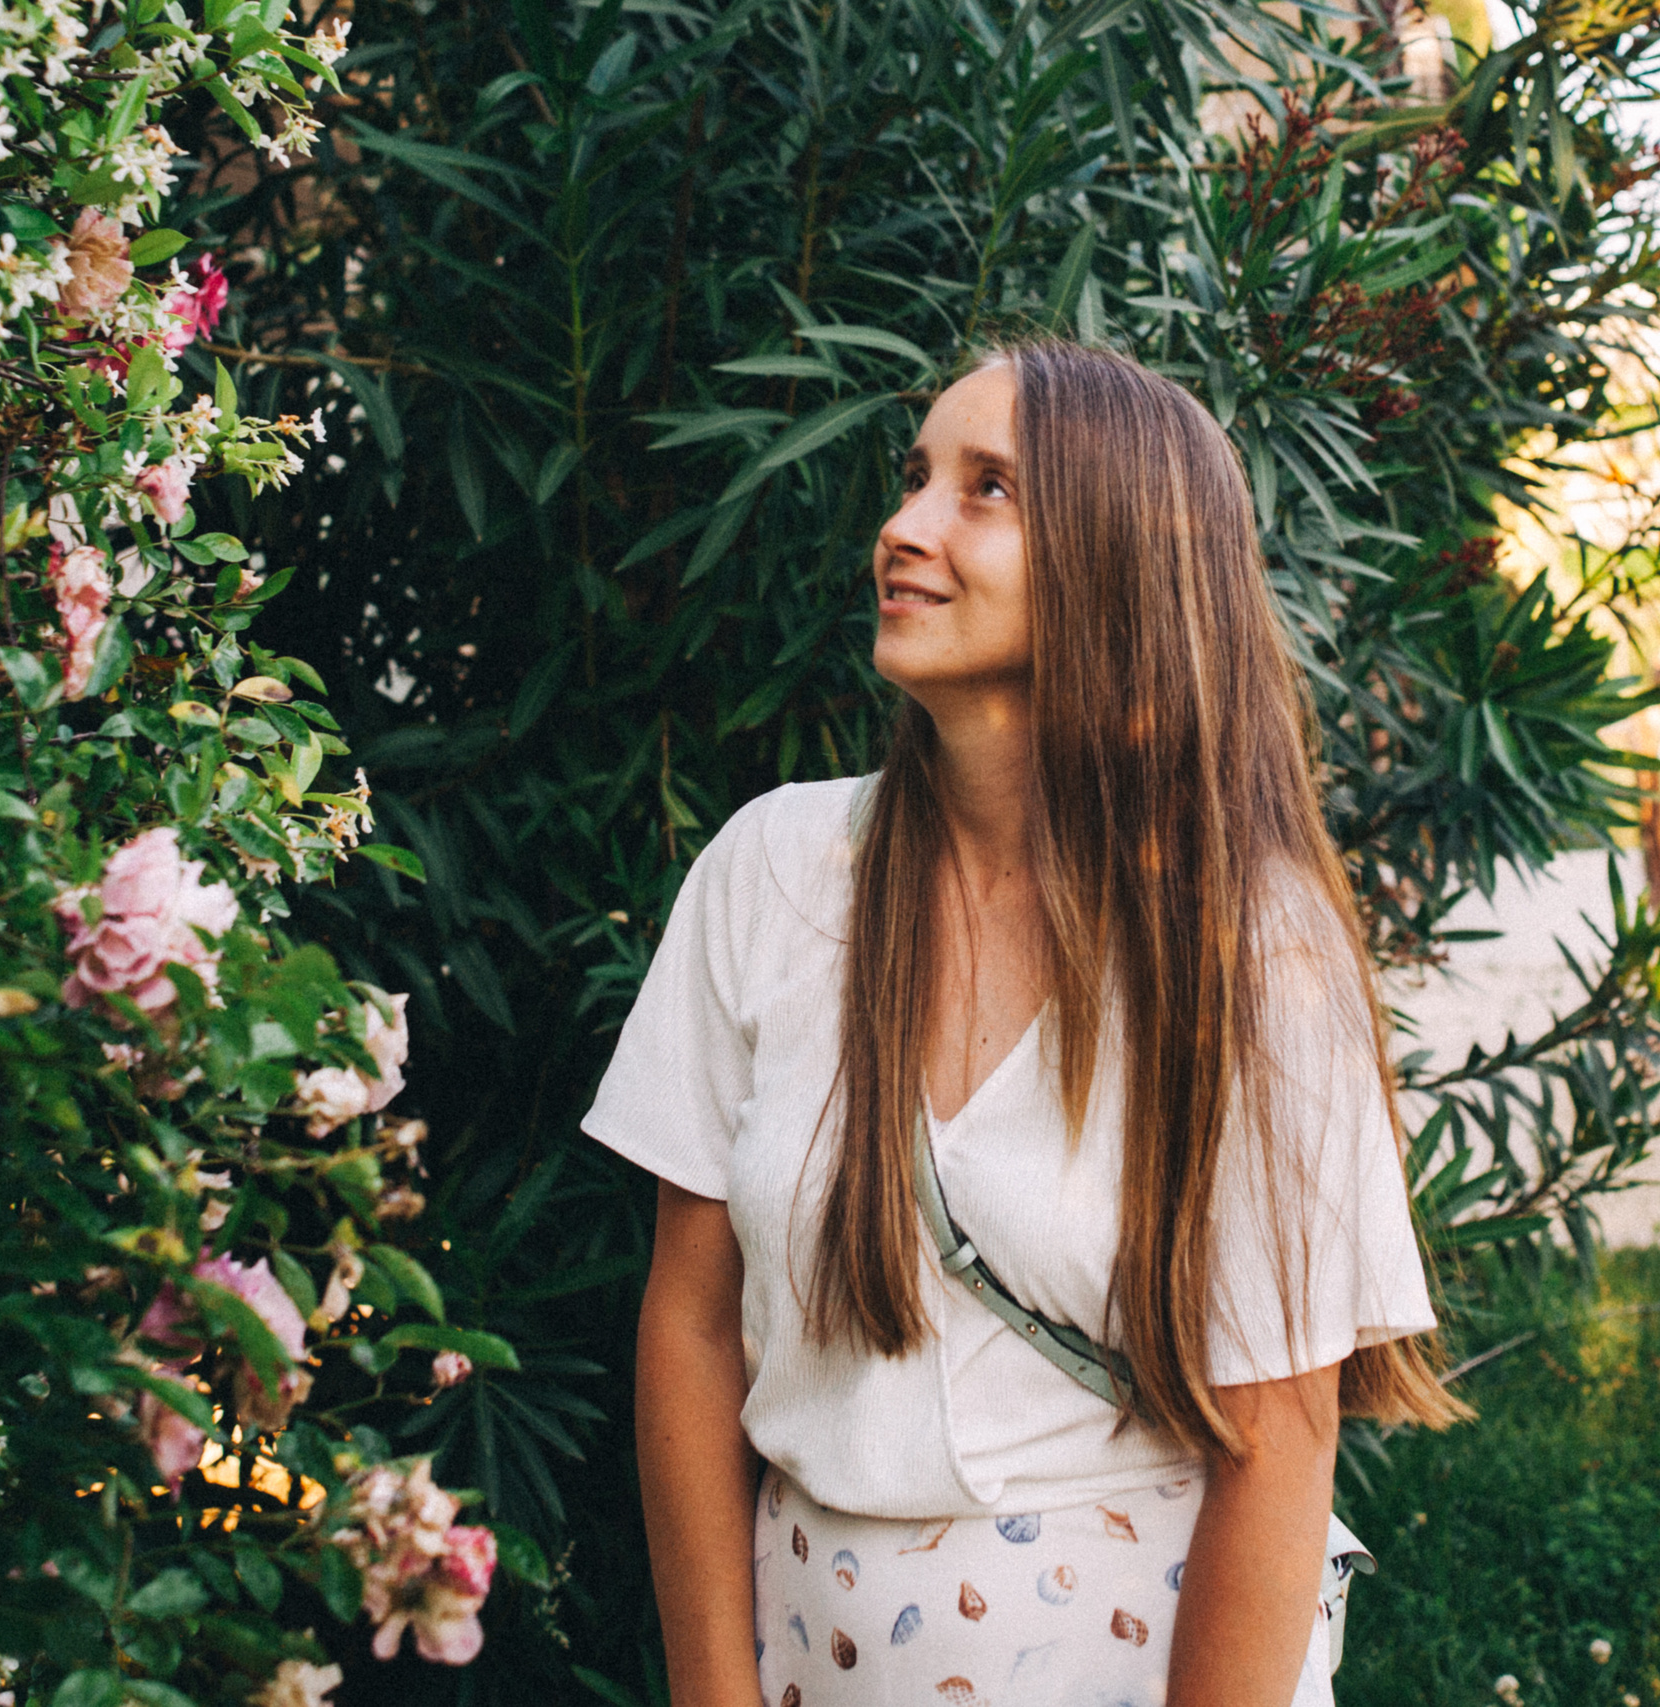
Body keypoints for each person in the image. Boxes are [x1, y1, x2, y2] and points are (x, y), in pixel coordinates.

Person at [584, 341, 1466, 1707]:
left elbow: (1279, 1441)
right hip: (807, 1660)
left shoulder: (1249, 947)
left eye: (986, 488)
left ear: (1121, 559)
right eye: (916, 476)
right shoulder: (771, 874)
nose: (905, 526)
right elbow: (690, 1327)